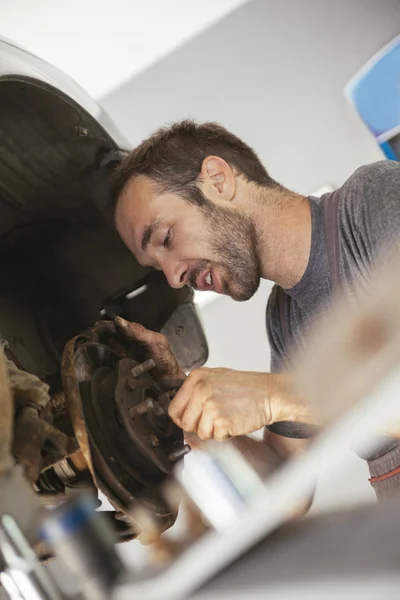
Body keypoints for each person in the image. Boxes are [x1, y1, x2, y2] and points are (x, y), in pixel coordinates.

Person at [108, 120, 400, 499]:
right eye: (156, 268)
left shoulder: (371, 200)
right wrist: (186, 403)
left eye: (166, 238)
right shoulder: (286, 318)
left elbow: (280, 396)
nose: (174, 277)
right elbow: (286, 491)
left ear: (218, 180)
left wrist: (271, 396)